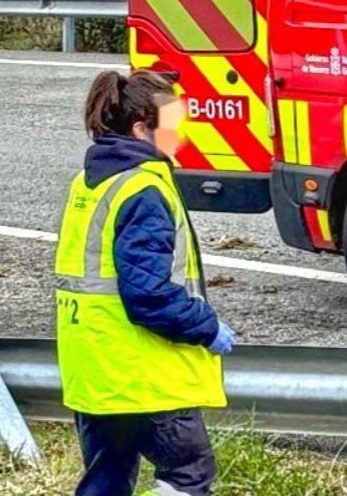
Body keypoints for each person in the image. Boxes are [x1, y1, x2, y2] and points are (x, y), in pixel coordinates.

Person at [54, 69, 234, 496]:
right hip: (145, 378)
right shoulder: (144, 190)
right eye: (173, 128)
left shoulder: (91, 182)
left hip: (95, 375)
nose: (180, 139)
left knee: (106, 481)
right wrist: (206, 328)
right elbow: (148, 294)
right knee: (187, 475)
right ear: (141, 129)